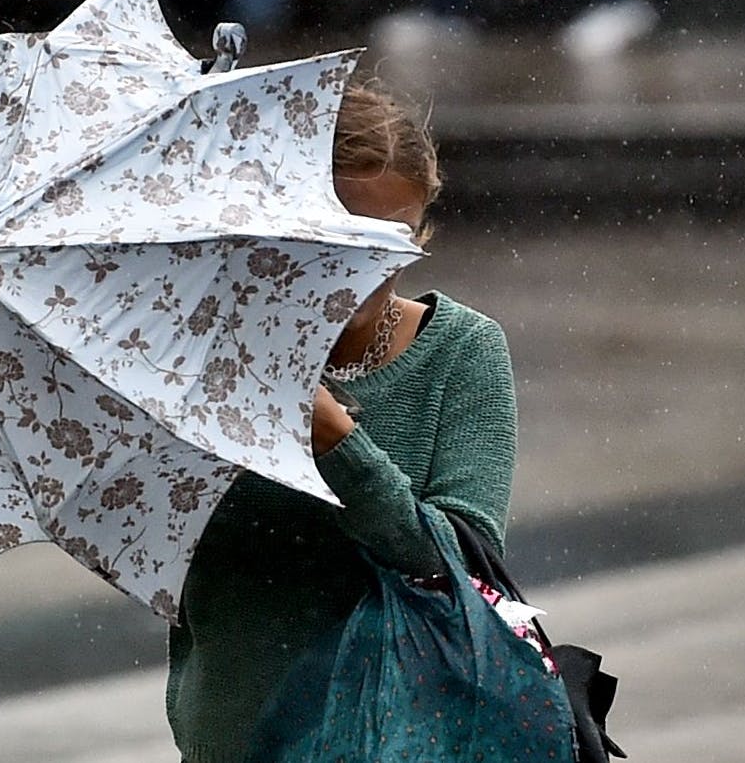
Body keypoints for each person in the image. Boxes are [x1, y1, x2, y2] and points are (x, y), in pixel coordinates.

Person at [164, 79, 521, 762]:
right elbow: (160, 546)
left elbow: (459, 563)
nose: (363, 264)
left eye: (393, 237)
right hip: (238, 730)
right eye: (336, 235)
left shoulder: (462, 350)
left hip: (406, 728)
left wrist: (337, 441)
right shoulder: (205, 354)